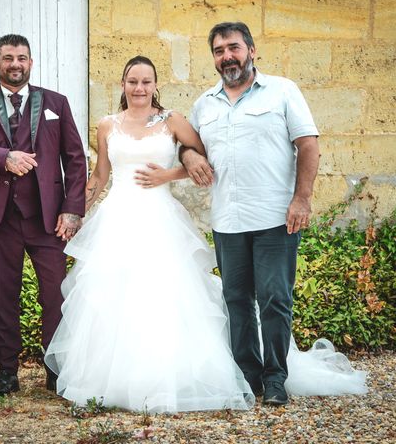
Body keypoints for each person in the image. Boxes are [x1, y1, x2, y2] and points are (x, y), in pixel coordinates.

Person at [44, 56, 255, 413]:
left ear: (156, 85)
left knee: (163, 296)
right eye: (132, 81)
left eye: (146, 82)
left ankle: (170, 379)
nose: (139, 88)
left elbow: (205, 161)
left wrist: (168, 176)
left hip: (160, 219)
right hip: (117, 220)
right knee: (114, 298)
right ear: (123, 84)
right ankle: (113, 382)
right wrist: (76, 210)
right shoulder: (107, 125)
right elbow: (100, 175)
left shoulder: (172, 120)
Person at [181, 21, 337, 405]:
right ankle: (247, 376)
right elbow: (188, 146)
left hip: (274, 218)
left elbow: (308, 144)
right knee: (236, 299)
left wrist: (302, 198)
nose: (226, 57)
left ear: (251, 50)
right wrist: (188, 155)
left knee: (274, 299)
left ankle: (276, 379)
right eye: (218, 51)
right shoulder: (205, 103)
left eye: (233, 48)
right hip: (227, 220)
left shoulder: (283, 91)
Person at [0, 34, 87, 398]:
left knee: (55, 296)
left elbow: (75, 158)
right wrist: (0, 156)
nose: (15, 64)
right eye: (8, 58)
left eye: (22, 58)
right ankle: (7, 371)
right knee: (2, 295)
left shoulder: (56, 103)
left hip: (48, 218)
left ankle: (55, 369)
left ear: (31, 62)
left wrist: (72, 209)